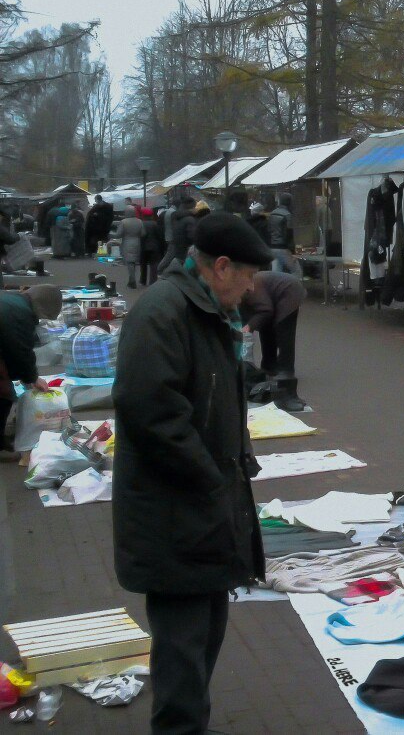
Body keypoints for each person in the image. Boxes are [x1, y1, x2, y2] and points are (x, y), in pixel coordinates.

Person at [113, 211, 272, 734]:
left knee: (205, 633)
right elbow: (151, 413)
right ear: (221, 267)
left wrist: (233, 463)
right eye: (247, 277)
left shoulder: (202, 310)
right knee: (182, 643)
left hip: (203, 506)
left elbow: (215, 399)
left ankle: (190, 723)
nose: (250, 289)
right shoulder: (165, 311)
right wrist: (209, 477)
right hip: (175, 511)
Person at [0, 285, 59, 453]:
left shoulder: (13, 301)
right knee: (4, 394)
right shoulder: (21, 313)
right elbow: (20, 349)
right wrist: (32, 378)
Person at [242, 271, 307, 411]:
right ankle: (269, 366)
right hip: (275, 293)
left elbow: (265, 311)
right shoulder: (242, 291)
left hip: (289, 291)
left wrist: (249, 327)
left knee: (285, 334)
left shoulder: (251, 289)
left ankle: (286, 371)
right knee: (266, 330)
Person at [158, 197, 198, 274]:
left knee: (174, 261)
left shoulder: (177, 217)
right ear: (192, 207)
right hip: (186, 248)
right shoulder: (190, 219)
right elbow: (192, 236)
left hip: (176, 245)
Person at [267, 194, 300, 277]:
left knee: (277, 273)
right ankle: (294, 289)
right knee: (297, 272)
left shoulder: (272, 214)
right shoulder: (287, 215)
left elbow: (268, 230)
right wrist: (293, 252)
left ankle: (277, 289)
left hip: (272, 247)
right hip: (283, 248)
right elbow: (288, 234)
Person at [112, 206, 145, 289]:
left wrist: (112, 234)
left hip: (127, 242)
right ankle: (131, 279)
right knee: (133, 262)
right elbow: (143, 233)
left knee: (129, 262)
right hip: (137, 242)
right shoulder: (139, 221)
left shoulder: (123, 222)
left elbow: (119, 234)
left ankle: (132, 280)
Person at [140, 208, 166, 285]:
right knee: (153, 264)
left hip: (143, 247)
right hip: (154, 247)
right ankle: (152, 281)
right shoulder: (155, 224)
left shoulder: (141, 224)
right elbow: (160, 236)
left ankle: (143, 280)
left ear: (143, 215)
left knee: (143, 264)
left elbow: (140, 236)